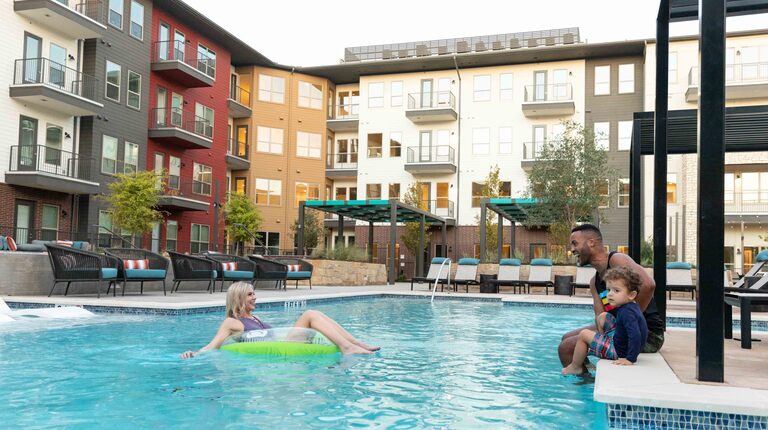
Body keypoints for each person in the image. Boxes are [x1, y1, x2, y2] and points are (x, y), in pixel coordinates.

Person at [558, 224, 664, 374]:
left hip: (646, 334)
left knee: (567, 347)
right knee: (566, 339)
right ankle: (587, 378)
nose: (572, 249)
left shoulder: (616, 260)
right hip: (617, 328)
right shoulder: (595, 282)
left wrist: (629, 319)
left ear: (591, 242)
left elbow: (648, 285)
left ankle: (585, 381)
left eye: (575, 243)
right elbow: (600, 317)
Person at [181, 282, 379, 358]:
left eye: (254, 293)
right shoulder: (232, 322)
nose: (255, 297)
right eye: (250, 294)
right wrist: (195, 353)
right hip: (282, 346)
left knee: (317, 314)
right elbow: (213, 345)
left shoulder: (255, 317)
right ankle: (347, 347)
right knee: (310, 314)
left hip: (284, 342)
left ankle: (355, 343)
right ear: (239, 298)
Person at [563, 267, 648, 374]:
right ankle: (602, 343)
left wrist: (630, 359)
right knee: (603, 316)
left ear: (631, 295)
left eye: (616, 290)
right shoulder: (628, 306)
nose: (610, 294)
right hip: (620, 343)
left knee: (584, 334)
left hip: (619, 352)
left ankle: (575, 367)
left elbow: (635, 335)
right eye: (609, 290)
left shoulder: (627, 313)